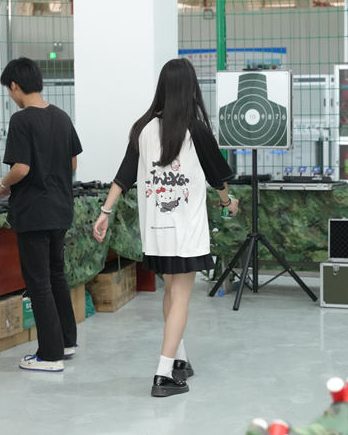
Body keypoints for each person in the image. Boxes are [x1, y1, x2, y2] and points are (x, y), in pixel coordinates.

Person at [93, 58, 240, 398]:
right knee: (181, 297)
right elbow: (218, 178)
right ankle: (163, 374)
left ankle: (178, 359)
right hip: (186, 230)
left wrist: (105, 211)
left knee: (171, 292)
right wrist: (227, 203)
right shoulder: (196, 130)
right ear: (190, 89)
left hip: (156, 230)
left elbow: (124, 175)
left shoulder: (142, 129)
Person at [0, 57, 82, 372]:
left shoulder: (21, 120)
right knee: (56, 275)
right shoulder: (61, 116)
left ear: (15, 85)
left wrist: (3, 185)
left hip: (33, 212)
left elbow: (21, 168)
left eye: (9, 90)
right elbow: (73, 163)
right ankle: (67, 341)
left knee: (38, 282)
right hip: (60, 209)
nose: (11, 96)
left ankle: (50, 355)